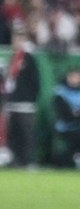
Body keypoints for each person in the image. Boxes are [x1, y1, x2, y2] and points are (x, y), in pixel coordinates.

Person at [3, 38, 40, 168]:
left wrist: (30, 99)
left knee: (27, 133)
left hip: (25, 104)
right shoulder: (13, 57)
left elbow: (35, 81)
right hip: (12, 102)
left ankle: (29, 161)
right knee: (14, 134)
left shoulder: (29, 58)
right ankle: (16, 161)